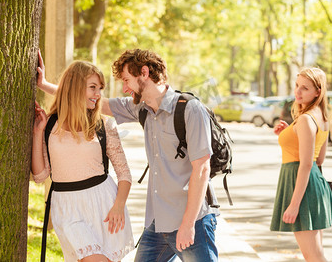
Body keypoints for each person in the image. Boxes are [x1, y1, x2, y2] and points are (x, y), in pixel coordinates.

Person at [37, 49, 219, 262]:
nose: (124, 88)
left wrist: (188, 225)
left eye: (126, 80)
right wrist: (44, 85)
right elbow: (90, 100)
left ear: (144, 72)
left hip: (193, 220)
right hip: (158, 223)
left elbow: (202, 168)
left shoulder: (190, 110)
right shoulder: (141, 108)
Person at [32, 58, 134, 262]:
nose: (98, 95)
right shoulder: (50, 124)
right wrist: (38, 132)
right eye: (93, 87)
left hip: (105, 206)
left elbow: (124, 173)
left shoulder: (104, 126)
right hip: (67, 207)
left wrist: (118, 206)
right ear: (75, 87)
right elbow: (40, 175)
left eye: (100, 88)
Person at [270, 67, 332, 262]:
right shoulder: (320, 117)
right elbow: (319, 159)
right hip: (312, 184)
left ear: (318, 91)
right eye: (297, 85)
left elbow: (306, 164)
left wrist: (294, 205)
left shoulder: (307, 119)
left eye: (305, 88)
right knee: (315, 255)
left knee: (314, 257)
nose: (297, 92)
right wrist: (289, 133)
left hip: (302, 186)